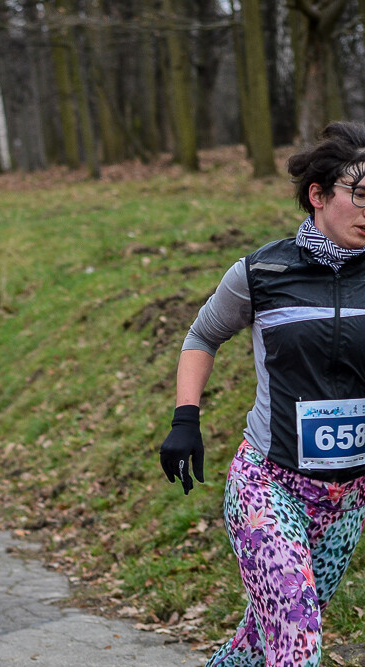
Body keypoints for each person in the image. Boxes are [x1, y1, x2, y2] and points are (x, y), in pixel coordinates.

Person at [158, 121, 365, 667]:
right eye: (361, 195)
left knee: (262, 640)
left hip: (347, 499)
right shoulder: (263, 271)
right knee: (296, 640)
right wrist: (186, 419)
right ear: (318, 196)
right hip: (268, 485)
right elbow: (202, 334)